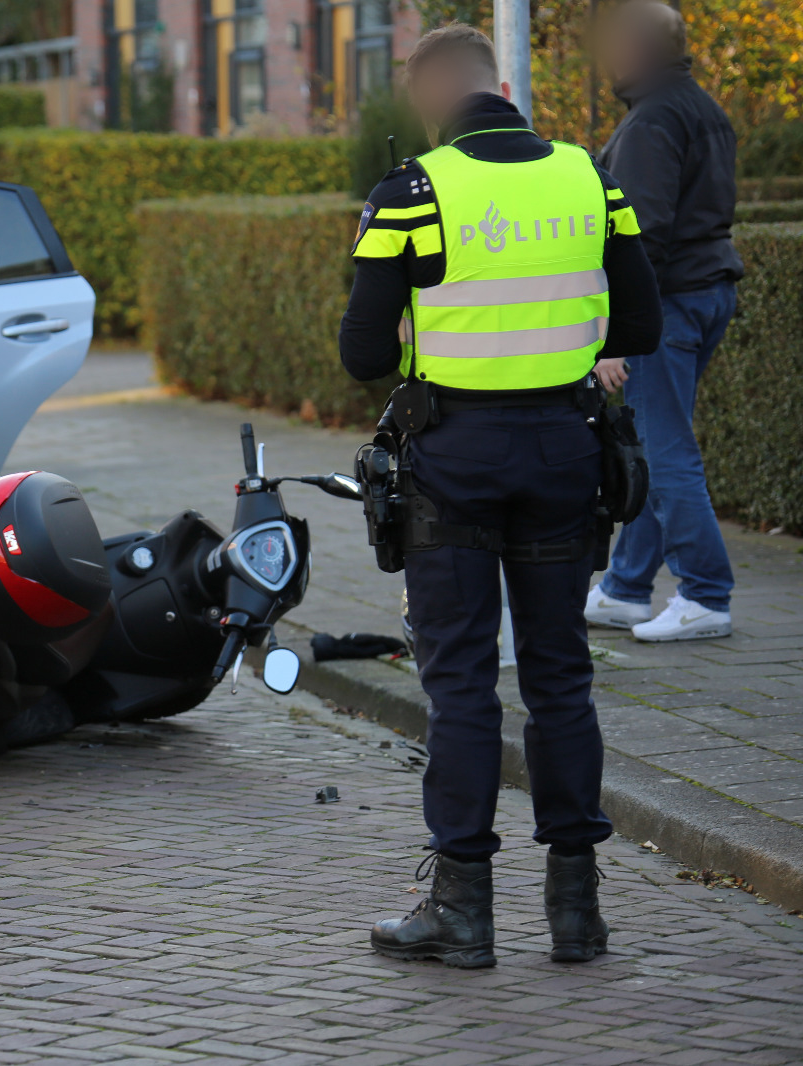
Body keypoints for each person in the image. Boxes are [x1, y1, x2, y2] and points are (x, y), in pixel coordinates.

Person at [338, 24, 663, 967]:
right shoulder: (587, 177)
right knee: (562, 678)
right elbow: (636, 318)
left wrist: (419, 337)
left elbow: (363, 355)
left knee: (463, 686)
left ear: (430, 94)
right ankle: (577, 913)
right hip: (565, 451)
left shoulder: (413, 192)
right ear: (500, 82)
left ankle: (462, 913)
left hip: (456, 457)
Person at [585, 0, 743, 642]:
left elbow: (641, 236)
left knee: (666, 451)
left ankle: (706, 594)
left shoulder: (652, 121)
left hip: (670, 302)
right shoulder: (702, 109)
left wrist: (618, 332)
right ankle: (625, 589)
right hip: (705, 292)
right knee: (655, 444)